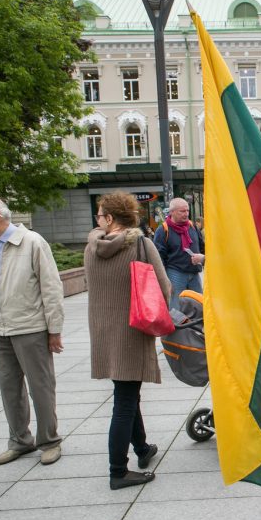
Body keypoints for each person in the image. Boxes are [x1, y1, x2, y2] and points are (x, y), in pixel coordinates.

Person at [0, 197, 64, 466]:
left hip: (31, 328)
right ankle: (20, 440)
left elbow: (52, 288)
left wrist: (54, 330)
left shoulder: (32, 242)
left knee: (41, 387)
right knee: (10, 389)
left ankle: (49, 440)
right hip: (1, 331)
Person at [85, 192, 169, 490]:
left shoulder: (91, 247)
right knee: (124, 401)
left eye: (99, 215)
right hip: (131, 331)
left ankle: (143, 448)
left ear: (110, 219)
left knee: (126, 391)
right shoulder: (140, 244)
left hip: (103, 332)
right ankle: (118, 471)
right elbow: (164, 287)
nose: (98, 220)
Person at [153, 197, 204, 308]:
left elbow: (202, 246)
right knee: (176, 309)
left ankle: (196, 326)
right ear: (172, 212)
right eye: (182, 211)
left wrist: (203, 258)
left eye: (187, 210)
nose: (186, 214)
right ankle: (179, 326)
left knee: (200, 307)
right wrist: (164, 280)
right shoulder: (163, 230)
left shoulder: (192, 226)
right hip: (175, 274)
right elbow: (158, 257)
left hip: (195, 274)